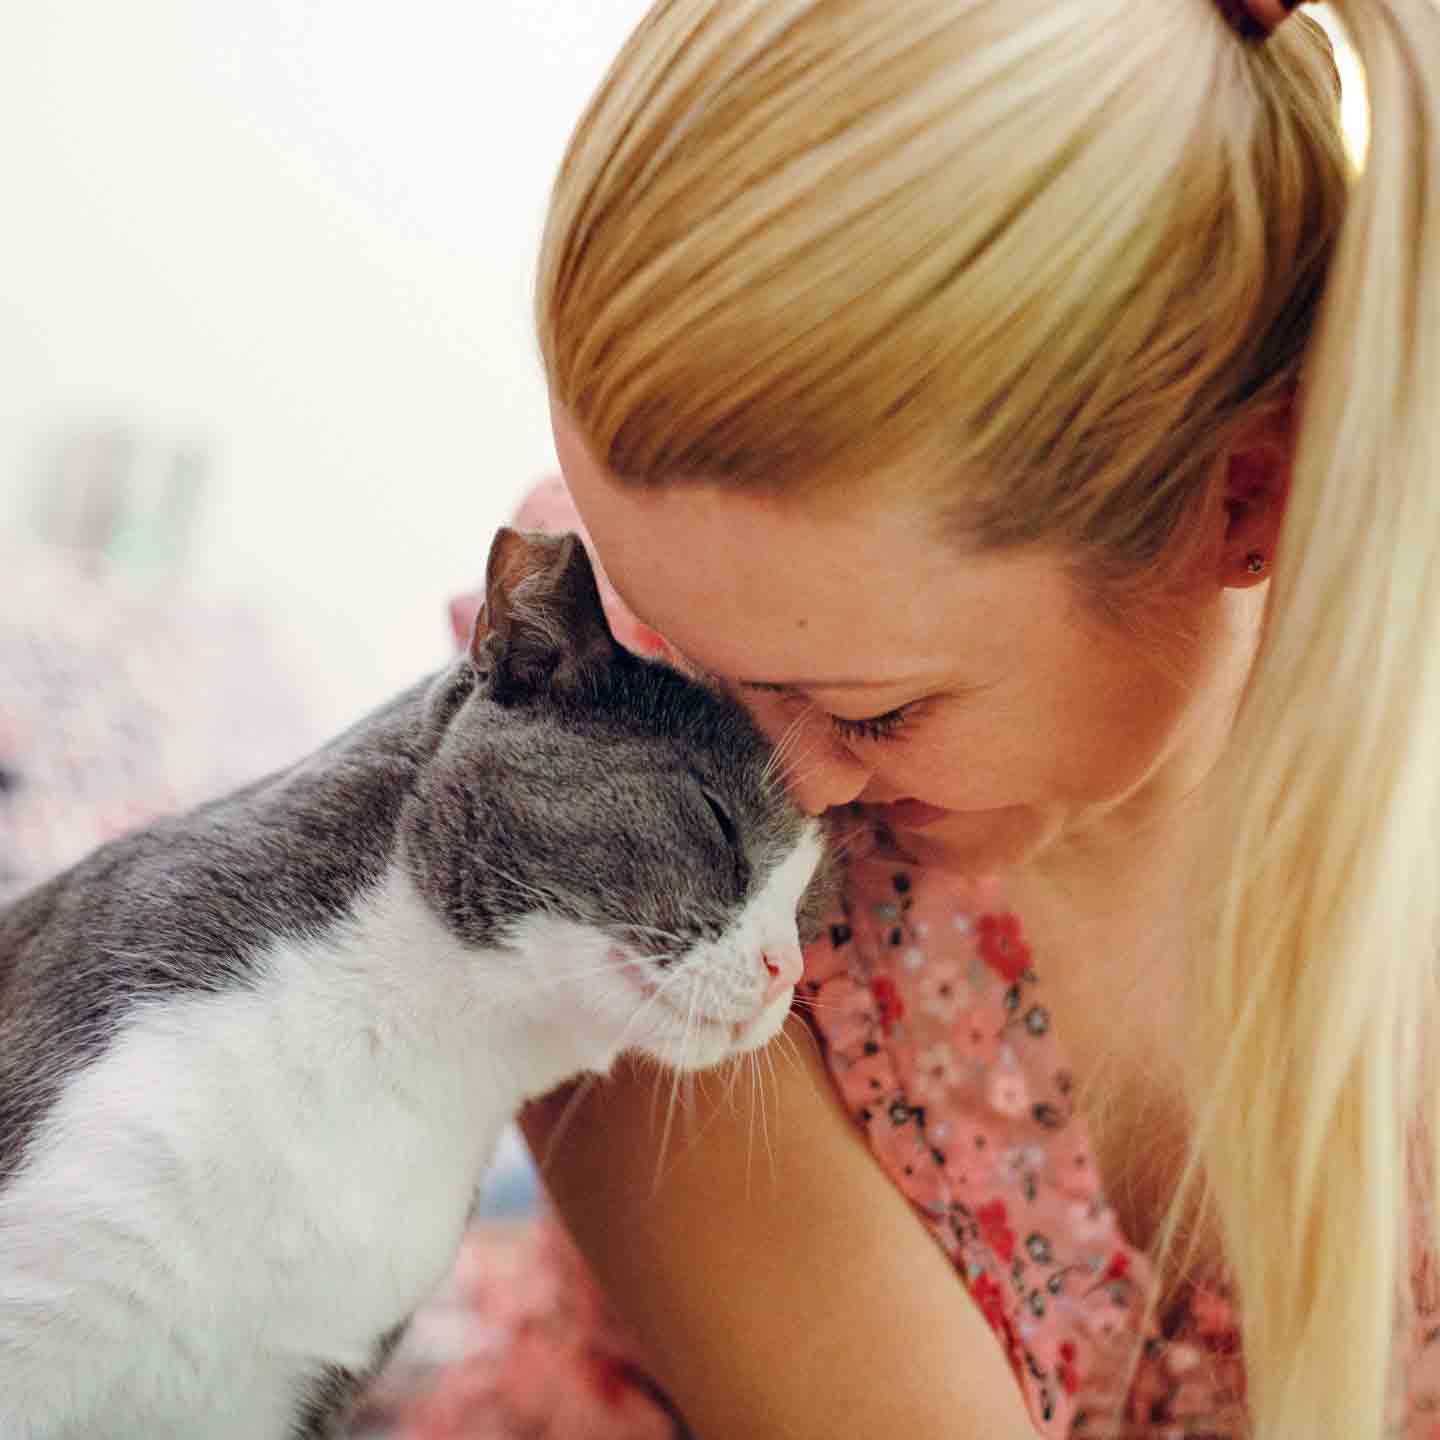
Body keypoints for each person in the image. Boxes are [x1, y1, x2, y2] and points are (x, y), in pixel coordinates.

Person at [433, 1, 1440, 1436]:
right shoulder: (600, 755)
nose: (767, 790)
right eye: (694, 657)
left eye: (878, 711)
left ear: (1248, 502)